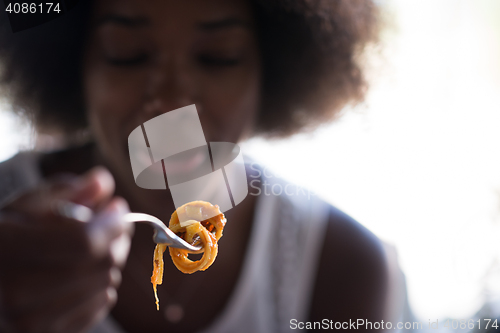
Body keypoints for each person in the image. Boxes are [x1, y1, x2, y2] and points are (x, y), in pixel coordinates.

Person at [0, 0, 400, 332]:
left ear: (270, 67)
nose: (174, 103)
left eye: (217, 58)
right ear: (75, 62)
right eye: (128, 54)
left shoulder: (342, 265)